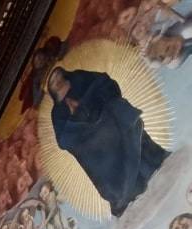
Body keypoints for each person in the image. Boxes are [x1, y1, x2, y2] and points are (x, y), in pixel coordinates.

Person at [46, 67, 169, 217]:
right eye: (53, 82)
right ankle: (128, 193)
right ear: (50, 90)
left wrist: (92, 103)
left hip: (112, 121)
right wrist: (80, 122)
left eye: (58, 77)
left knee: (125, 119)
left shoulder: (81, 78)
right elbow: (64, 140)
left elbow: (107, 84)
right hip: (94, 147)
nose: (58, 82)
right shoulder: (58, 112)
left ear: (64, 74)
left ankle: (152, 163)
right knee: (109, 170)